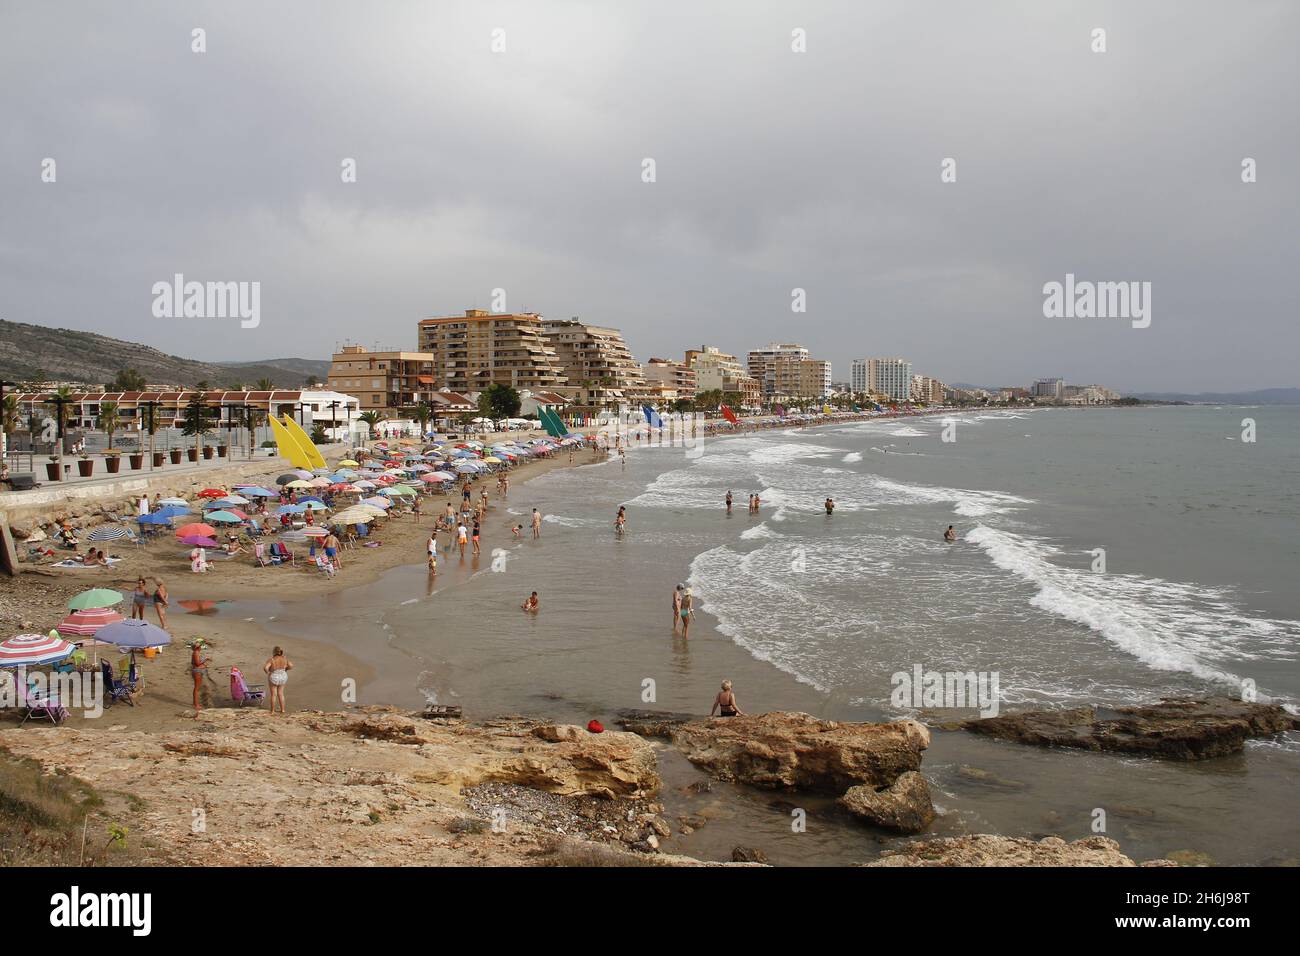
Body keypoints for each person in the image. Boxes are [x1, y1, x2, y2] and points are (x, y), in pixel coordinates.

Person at [263, 646, 293, 715]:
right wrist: (286, 669)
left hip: (274, 676)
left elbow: (265, 668)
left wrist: (268, 673)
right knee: (281, 693)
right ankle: (282, 710)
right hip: (283, 675)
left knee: (273, 694)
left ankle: (272, 711)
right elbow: (291, 665)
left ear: (274, 652)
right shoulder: (284, 659)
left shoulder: (272, 659)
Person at [190, 639, 212, 710]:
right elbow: (197, 663)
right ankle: (196, 705)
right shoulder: (196, 652)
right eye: (200, 646)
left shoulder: (196, 652)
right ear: (197, 647)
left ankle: (195, 703)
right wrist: (206, 659)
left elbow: (198, 663)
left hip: (199, 671)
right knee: (197, 688)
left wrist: (205, 665)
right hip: (197, 672)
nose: (201, 647)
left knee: (197, 688)